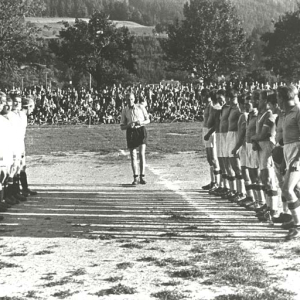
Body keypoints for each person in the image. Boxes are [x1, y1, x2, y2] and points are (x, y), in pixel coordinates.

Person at [279, 85, 300, 240]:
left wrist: (297, 160)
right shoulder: (285, 113)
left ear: (283, 98)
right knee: (295, 190)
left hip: (296, 154)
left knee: (287, 189)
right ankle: (296, 220)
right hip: (288, 152)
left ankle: (297, 227)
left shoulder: (298, 112)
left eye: (278, 98)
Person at [120, 93, 150, 185]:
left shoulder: (140, 107)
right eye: (128, 100)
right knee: (133, 155)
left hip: (140, 130)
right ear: (126, 100)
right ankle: (135, 177)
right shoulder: (125, 111)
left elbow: (148, 120)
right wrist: (129, 125)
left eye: (131, 99)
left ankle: (142, 176)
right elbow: (122, 126)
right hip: (131, 132)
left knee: (141, 154)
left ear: (134, 99)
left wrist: (141, 122)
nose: (130, 101)